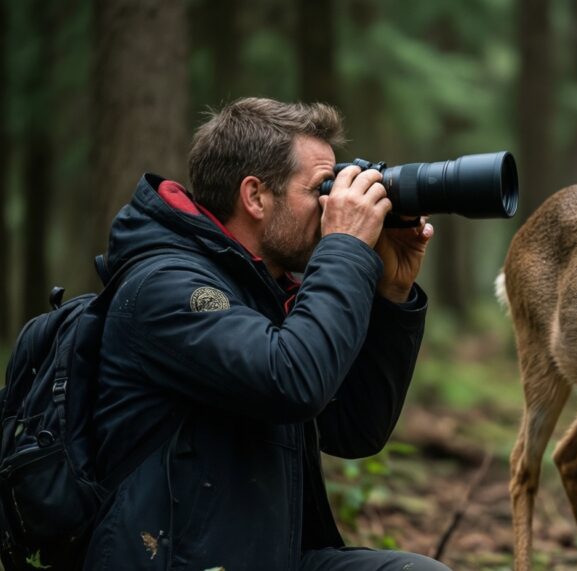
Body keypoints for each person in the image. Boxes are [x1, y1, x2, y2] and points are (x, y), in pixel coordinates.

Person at [85, 97, 450, 570]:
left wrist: (391, 294)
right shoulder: (167, 288)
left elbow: (354, 431)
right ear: (255, 196)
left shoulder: (267, 290)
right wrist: (343, 248)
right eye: (321, 187)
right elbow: (292, 381)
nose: (331, 204)